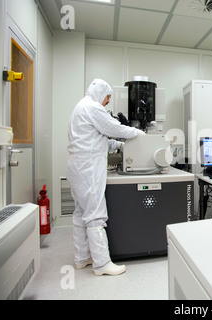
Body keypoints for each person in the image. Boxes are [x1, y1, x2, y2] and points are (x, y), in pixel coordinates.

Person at [67, 78, 144, 276]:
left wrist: (119, 145)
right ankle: (102, 264)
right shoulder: (92, 107)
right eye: (108, 96)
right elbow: (115, 129)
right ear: (100, 92)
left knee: (80, 213)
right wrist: (140, 135)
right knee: (95, 215)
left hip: (77, 167)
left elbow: (99, 139)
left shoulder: (80, 107)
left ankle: (82, 258)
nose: (108, 101)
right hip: (89, 168)